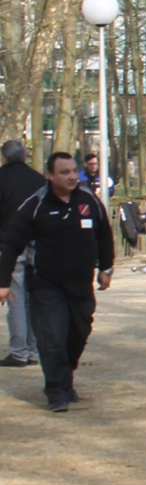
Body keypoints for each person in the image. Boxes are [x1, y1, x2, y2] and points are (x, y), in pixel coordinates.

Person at [0, 153, 113, 411]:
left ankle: (64, 379)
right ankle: (56, 393)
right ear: (50, 175)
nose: (72, 176)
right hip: (46, 284)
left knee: (78, 334)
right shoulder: (36, 204)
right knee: (53, 338)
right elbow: (11, 243)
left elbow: (104, 235)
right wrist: (3, 281)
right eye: (64, 172)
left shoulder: (89, 201)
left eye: (74, 171)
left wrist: (106, 268)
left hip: (81, 285)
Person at [0, 140, 45, 368]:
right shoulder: (39, 180)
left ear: (3, 158)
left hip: (11, 244)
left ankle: (19, 352)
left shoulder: (2, 179)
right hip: (37, 243)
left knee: (15, 297)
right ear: (25, 156)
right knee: (33, 299)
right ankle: (34, 350)